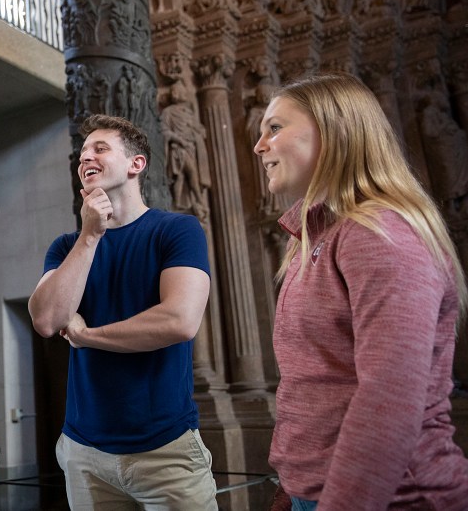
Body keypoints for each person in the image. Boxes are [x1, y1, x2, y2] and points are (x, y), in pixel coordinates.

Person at [254, 73, 468, 510]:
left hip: (392, 498)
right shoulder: (313, 237)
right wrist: (292, 488)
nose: (259, 146)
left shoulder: (380, 233)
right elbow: (316, 384)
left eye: (274, 128)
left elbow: (387, 403)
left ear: (334, 131)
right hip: (315, 492)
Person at [29, 113, 217, 510]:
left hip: (165, 451)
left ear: (136, 164)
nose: (85, 159)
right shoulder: (66, 246)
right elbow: (46, 319)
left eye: (100, 149)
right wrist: (91, 234)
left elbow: (179, 321)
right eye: (81, 154)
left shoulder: (176, 230)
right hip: (85, 455)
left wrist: (86, 336)